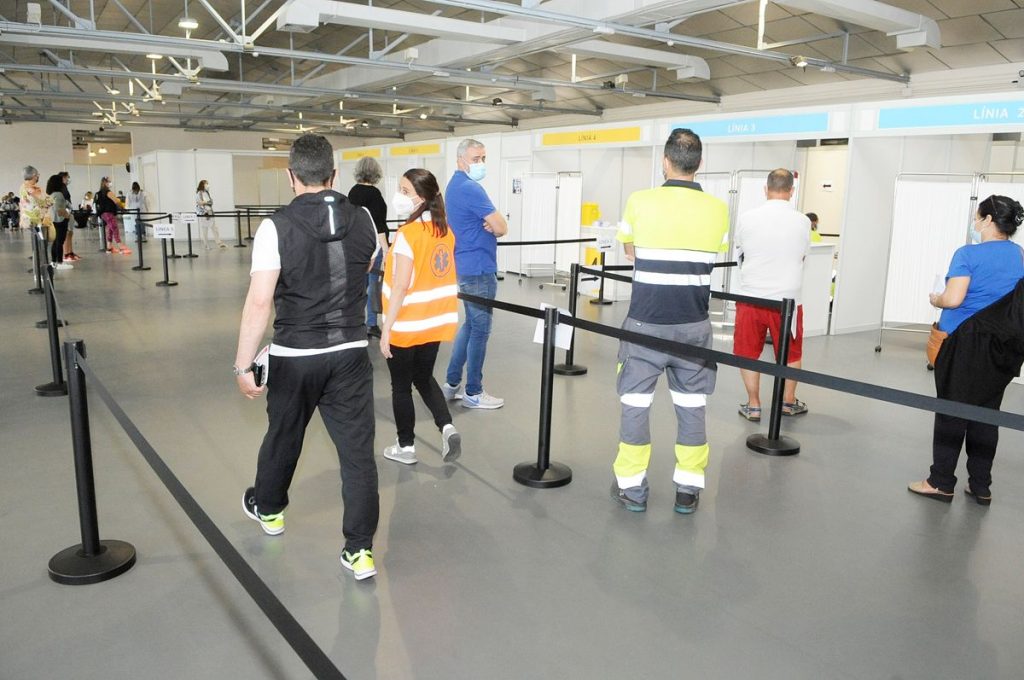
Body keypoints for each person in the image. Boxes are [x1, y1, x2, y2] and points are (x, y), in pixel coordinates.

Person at [234, 133, 381, 580]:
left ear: (290, 176)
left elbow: (260, 302)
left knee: (284, 437)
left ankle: (270, 510)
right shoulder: (367, 222)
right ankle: (359, 551)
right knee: (358, 455)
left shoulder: (274, 226)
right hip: (352, 352)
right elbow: (369, 266)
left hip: (296, 355)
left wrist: (242, 365)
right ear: (334, 174)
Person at [611, 128, 729, 515]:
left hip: (645, 322)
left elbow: (630, 251)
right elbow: (716, 251)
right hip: (694, 325)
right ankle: (688, 489)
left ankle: (632, 489)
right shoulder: (718, 209)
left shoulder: (640, 201)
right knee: (692, 407)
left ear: (665, 162)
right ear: (699, 164)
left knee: (635, 405)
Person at [909, 195, 1024, 505]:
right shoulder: (1020, 255)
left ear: (987, 220)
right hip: (1001, 348)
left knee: (951, 412)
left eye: (977, 217)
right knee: (986, 414)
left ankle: (941, 481)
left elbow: (955, 298)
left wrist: (937, 299)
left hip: (962, 343)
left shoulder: (967, 254)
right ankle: (981, 485)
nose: (975, 223)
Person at [378, 169, 461, 465]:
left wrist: (386, 330)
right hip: (434, 323)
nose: (399, 196)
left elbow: (400, 286)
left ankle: (406, 447)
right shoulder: (444, 232)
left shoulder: (408, 235)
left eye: (404, 191)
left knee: (400, 387)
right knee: (424, 378)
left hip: (406, 324)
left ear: (421, 197)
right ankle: (446, 425)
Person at [733, 169, 811, 422]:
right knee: (791, 353)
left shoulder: (747, 218)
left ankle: (754, 404)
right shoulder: (803, 221)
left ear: (766, 190)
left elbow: (740, 251)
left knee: (748, 351)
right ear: (791, 191)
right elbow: (802, 255)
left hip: (751, 295)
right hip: (788, 300)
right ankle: (788, 402)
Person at [442, 138, 508, 409]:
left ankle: (452, 382)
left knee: (470, 325)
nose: (480, 163)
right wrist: (494, 226)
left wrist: (491, 225)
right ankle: (473, 391)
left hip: (467, 266)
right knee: (480, 329)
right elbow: (501, 226)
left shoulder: (455, 186)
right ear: (460, 160)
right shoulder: (471, 189)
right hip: (478, 269)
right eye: (475, 158)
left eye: (483, 158)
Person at [348, 157, 389, 338]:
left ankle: (354, 321)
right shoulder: (375, 194)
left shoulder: (353, 192)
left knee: (359, 285)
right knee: (374, 284)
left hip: (356, 245)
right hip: (373, 246)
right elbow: (379, 225)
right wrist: (386, 250)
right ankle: (371, 323)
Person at [96, 176, 130, 255]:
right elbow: (116, 201)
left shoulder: (100, 192)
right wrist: (123, 206)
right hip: (108, 213)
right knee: (115, 228)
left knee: (110, 229)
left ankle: (109, 247)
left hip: (103, 214)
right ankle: (121, 246)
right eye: (109, 181)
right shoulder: (108, 192)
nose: (110, 183)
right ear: (105, 183)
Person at [45, 174, 72, 270]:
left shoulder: (50, 194)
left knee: (55, 242)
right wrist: (67, 215)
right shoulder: (59, 194)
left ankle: (54, 261)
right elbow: (59, 209)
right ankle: (59, 262)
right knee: (60, 241)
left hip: (53, 220)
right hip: (60, 221)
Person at [196, 179, 225, 250]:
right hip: (204, 213)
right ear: (203, 185)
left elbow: (210, 201)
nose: (207, 185)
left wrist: (208, 202)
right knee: (205, 229)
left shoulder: (207, 192)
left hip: (210, 212)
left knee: (215, 228)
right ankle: (206, 245)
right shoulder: (199, 193)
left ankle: (219, 243)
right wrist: (205, 202)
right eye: (206, 184)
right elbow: (199, 203)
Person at [58, 172, 80, 263]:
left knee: (70, 232)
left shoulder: (65, 188)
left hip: (69, 211)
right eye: (67, 177)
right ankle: (66, 254)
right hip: (64, 213)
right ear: (63, 178)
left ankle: (70, 252)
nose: (68, 179)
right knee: (66, 233)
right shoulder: (60, 188)